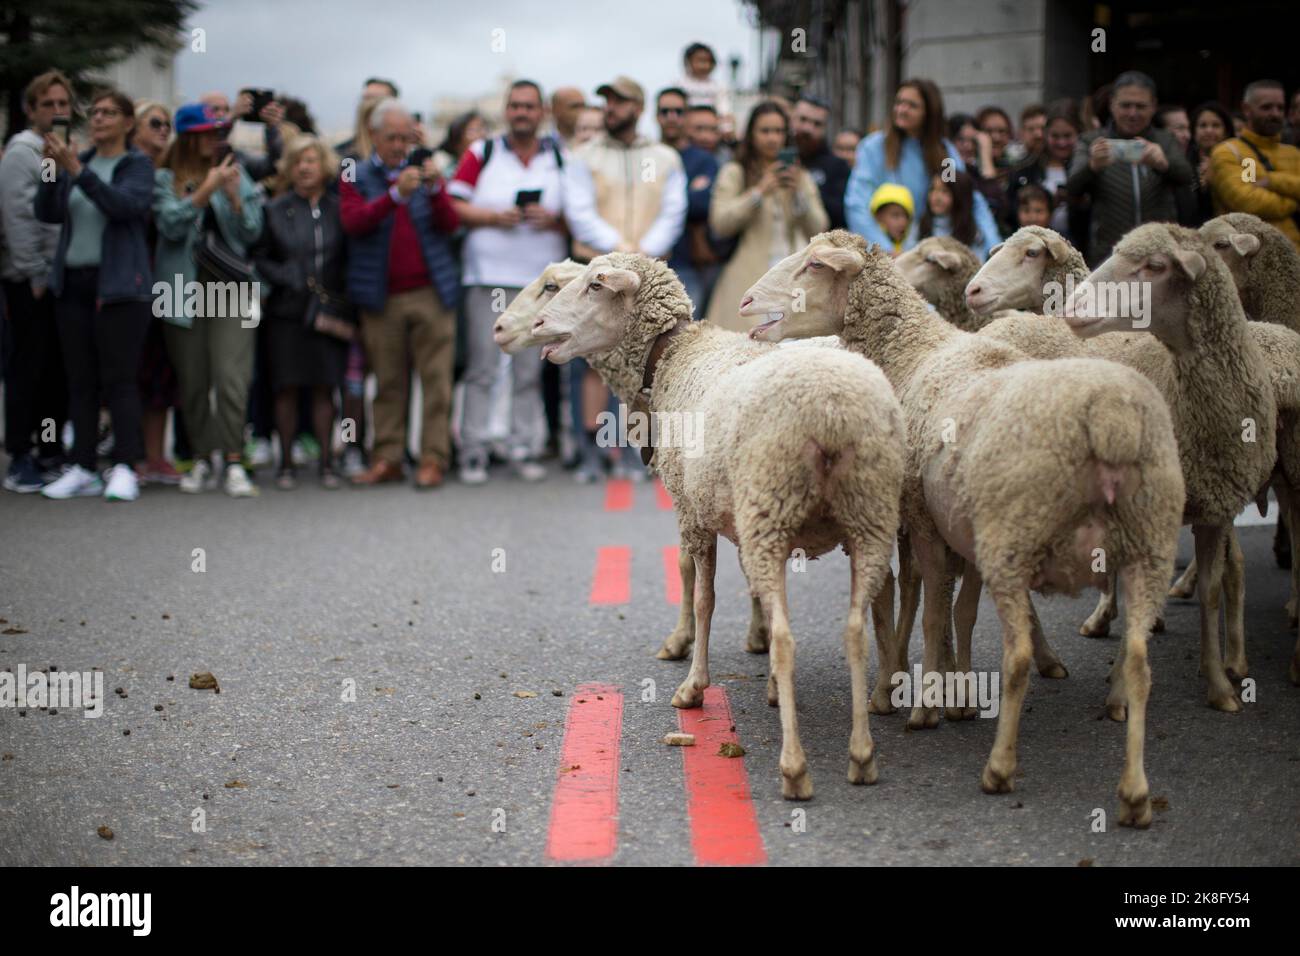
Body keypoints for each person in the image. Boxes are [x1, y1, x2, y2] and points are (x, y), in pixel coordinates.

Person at [562, 75, 686, 481]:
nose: (609, 108)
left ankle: (637, 451)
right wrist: (619, 252)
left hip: (645, 277)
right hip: (596, 272)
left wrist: (641, 257)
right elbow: (579, 211)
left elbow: (673, 210)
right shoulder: (584, 155)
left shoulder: (665, 156)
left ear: (637, 107)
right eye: (606, 101)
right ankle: (591, 451)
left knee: (642, 364)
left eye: (618, 102)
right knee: (592, 361)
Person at [35, 88, 154, 502]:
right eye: (95, 112)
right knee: (79, 380)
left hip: (120, 288)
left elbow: (125, 207)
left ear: (126, 123)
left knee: (118, 380)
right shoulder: (79, 161)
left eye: (108, 113)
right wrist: (52, 170)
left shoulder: (137, 165)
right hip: (74, 283)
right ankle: (83, 465)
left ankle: (125, 465)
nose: (98, 118)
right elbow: (47, 212)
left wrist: (77, 172)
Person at [449, 79, 567, 485]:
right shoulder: (481, 152)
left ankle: (522, 447)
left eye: (530, 106)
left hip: (540, 282)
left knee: (528, 372)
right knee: (483, 366)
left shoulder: (561, 156)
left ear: (542, 112)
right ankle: (474, 451)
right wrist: (493, 217)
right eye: (515, 106)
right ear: (506, 110)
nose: (522, 113)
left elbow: (581, 212)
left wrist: (551, 219)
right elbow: (453, 204)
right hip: (488, 277)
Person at [340, 99, 461, 489]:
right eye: (390, 137)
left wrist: (436, 186)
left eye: (404, 137)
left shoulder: (425, 174)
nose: (397, 145)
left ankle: (432, 459)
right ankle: (388, 457)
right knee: (389, 384)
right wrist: (394, 197)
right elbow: (353, 223)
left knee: (436, 384)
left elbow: (450, 224)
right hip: (382, 297)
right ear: (373, 136)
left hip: (431, 293)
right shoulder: (354, 174)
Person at [153, 102, 265, 498]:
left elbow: (251, 232)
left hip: (232, 289)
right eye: (204, 133)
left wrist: (234, 198)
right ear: (188, 136)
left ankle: (234, 460)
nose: (213, 139)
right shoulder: (165, 178)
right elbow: (169, 224)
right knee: (194, 380)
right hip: (180, 290)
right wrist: (207, 189)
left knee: (233, 379)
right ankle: (201, 457)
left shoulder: (236, 172)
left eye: (216, 132)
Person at [250, 134, 350, 490]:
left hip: (329, 311)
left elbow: (350, 257)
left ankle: (326, 464)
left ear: (324, 166)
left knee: (326, 388)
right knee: (286, 388)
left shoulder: (340, 208)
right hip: (287, 312)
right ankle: (286, 464)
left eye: (311, 160)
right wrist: (286, 276)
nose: (304, 167)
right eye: (297, 161)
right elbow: (259, 257)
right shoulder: (274, 209)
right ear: (288, 169)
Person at [1, 70, 70, 493]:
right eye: (49, 104)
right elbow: (19, 219)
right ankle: (20, 456)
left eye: (63, 104)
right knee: (28, 368)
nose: (58, 112)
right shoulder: (21, 153)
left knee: (54, 371)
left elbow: (57, 214)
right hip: (27, 279)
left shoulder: (55, 155)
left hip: (57, 278)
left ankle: (48, 451)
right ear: (31, 110)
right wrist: (34, 273)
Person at [707, 101, 828, 330]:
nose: (773, 138)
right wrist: (758, 192)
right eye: (765, 131)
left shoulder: (799, 175)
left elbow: (819, 227)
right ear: (751, 135)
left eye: (779, 131)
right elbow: (720, 223)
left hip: (793, 276)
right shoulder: (735, 172)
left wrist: (798, 195)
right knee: (747, 344)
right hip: (748, 273)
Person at [846, 79, 1001, 254]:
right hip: (882, 254)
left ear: (929, 112)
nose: (902, 110)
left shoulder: (943, 154)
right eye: (899, 102)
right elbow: (857, 205)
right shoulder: (873, 148)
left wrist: (994, 246)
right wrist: (885, 250)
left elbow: (964, 196)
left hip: (928, 254)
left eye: (912, 105)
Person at [1065, 70, 1192, 265]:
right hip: (1110, 256)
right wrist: (1092, 166)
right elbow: (1072, 187)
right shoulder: (1091, 140)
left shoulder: (1165, 140)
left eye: (1141, 106)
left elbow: (1188, 178)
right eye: (1125, 105)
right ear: (1112, 105)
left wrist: (1164, 164)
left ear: (1153, 107)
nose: (1133, 113)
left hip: (1160, 255)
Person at [130, 99, 187, 485]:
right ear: (134, 129)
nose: (164, 130)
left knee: (161, 371)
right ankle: (128, 456)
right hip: (127, 281)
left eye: (167, 124)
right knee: (127, 373)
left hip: (165, 281)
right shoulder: (121, 168)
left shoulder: (171, 174)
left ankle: (156, 456)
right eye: (155, 123)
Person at [1209, 79, 1300, 255]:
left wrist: (1272, 180)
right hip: (1251, 262)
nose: (1275, 114)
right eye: (1266, 107)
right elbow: (1250, 202)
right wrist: (1295, 201)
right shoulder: (1232, 152)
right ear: (1246, 109)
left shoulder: (1294, 153)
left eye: (1280, 108)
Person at [659, 87, 721, 315]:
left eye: (678, 111)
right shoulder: (649, 156)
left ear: (686, 117)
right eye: (665, 111)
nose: (671, 117)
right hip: (651, 261)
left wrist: (667, 199)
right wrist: (688, 191)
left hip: (690, 264)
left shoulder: (704, 160)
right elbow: (645, 204)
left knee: (687, 334)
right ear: (656, 116)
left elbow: (703, 205)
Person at [1004, 99, 1086, 243]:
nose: (1061, 142)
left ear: (1078, 134)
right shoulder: (1024, 169)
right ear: (1046, 134)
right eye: (1055, 136)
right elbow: (1010, 213)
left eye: (1067, 136)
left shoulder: (1087, 168)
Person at [791, 94, 852, 229]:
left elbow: (840, 214)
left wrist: (806, 188)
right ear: (792, 119)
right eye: (803, 119)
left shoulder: (837, 167)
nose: (808, 128)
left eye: (817, 124)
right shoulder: (771, 157)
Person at [200, 90, 285, 182]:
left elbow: (273, 165)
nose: (222, 114)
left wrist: (271, 129)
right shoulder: (192, 156)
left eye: (227, 110)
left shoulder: (236, 158)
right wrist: (229, 118)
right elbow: (215, 145)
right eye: (215, 109)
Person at [919, 170, 987, 260]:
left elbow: (976, 266)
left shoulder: (972, 234)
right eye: (933, 189)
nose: (936, 197)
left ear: (959, 196)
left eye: (945, 191)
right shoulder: (922, 226)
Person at [1189, 101, 1233, 225]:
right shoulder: (1185, 163)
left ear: (1227, 131)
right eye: (1203, 126)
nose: (1209, 130)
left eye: (1216, 125)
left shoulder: (1242, 159)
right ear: (1193, 131)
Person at [336, 77, 399, 159]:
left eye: (375, 100)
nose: (367, 105)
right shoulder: (341, 155)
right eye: (365, 99)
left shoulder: (408, 154)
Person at [677, 42, 732, 120]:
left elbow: (724, 109)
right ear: (688, 62)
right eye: (700, 61)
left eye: (708, 61)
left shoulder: (718, 87)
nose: (703, 65)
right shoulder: (680, 85)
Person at [870, 183, 914, 255]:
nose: (903, 222)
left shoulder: (913, 248)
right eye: (895, 215)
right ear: (878, 216)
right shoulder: (866, 251)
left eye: (906, 216)